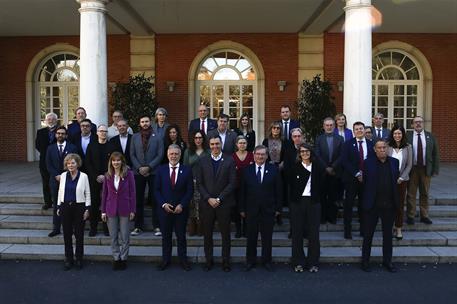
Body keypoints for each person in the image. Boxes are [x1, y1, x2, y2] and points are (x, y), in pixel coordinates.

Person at [196, 135, 237, 272]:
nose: (215, 147)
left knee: (225, 234)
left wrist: (219, 199)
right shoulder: (202, 161)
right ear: (209, 145)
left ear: (221, 144)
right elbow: (200, 183)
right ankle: (209, 260)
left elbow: (232, 183)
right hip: (207, 204)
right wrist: (208, 198)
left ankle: (226, 261)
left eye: (217, 144)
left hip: (223, 204)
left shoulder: (230, 160)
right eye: (212, 144)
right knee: (207, 234)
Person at [239, 145, 282, 272]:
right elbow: (242, 191)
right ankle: (250, 261)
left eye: (263, 154)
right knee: (251, 237)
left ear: (267, 156)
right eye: (258, 154)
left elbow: (279, 190)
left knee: (267, 237)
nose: (260, 156)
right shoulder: (247, 170)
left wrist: (278, 208)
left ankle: (266, 261)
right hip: (251, 210)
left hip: (268, 209)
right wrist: (241, 208)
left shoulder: (273, 169)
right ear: (254, 155)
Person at [361, 140, 400, 273]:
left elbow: (396, 182)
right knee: (368, 235)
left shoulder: (394, 162)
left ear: (387, 148)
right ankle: (365, 261)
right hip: (372, 205)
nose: (382, 149)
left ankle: (387, 261)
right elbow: (364, 184)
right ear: (375, 149)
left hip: (389, 205)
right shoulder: (367, 163)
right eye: (379, 148)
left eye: (384, 147)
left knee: (388, 236)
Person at [154, 145, 193, 271]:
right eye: (171, 154)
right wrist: (163, 204)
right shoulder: (161, 170)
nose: (174, 156)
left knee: (181, 236)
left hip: (180, 210)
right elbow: (156, 190)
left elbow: (190, 191)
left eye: (176, 154)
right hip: (165, 210)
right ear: (167, 155)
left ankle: (183, 260)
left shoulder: (187, 170)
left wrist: (182, 205)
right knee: (166, 237)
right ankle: (166, 260)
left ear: (180, 155)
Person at [288, 143, 324, 273]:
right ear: (299, 154)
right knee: (297, 233)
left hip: (313, 202)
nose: (304, 153)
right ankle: (298, 262)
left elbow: (322, 184)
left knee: (314, 233)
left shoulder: (318, 167)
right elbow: (290, 186)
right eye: (302, 151)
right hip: (298, 203)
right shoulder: (295, 167)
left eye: (307, 151)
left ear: (311, 152)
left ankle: (313, 262)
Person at [130, 114, 164, 236]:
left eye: (147, 121)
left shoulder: (158, 137)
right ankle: (138, 226)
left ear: (150, 122)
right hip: (138, 172)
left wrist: (149, 167)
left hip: (153, 172)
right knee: (138, 199)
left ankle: (157, 226)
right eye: (142, 121)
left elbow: (160, 155)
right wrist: (139, 168)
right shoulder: (134, 137)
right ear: (139, 123)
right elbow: (132, 154)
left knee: (155, 199)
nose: (145, 123)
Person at [101, 152, 136, 271]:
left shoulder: (129, 174)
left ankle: (124, 258)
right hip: (110, 209)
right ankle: (116, 258)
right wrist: (103, 211)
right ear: (111, 162)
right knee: (113, 236)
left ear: (122, 162)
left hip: (125, 208)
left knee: (125, 236)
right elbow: (104, 194)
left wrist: (133, 209)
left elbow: (133, 193)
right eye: (114, 160)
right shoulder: (107, 175)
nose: (116, 163)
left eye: (118, 160)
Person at [56, 153, 90, 270]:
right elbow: (60, 192)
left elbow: (88, 193)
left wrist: (87, 209)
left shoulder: (84, 176)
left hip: (79, 207)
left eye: (73, 163)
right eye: (68, 163)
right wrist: (59, 206)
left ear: (77, 164)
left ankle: (79, 258)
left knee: (79, 235)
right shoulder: (63, 176)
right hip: (65, 207)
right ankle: (68, 259)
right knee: (67, 234)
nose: (70, 165)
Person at [341, 121, 374, 239]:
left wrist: (364, 174)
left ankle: (363, 230)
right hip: (351, 179)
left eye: (361, 128)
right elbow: (344, 161)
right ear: (353, 131)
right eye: (357, 129)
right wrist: (356, 173)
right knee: (348, 205)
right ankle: (347, 231)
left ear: (365, 130)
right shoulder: (347, 144)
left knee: (364, 205)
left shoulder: (371, 144)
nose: (359, 131)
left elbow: (372, 161)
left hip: (366, 180)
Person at [406, 116, 440, 225]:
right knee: (411, 193)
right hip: (412, 169)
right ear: (412, 125)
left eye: (420, 122)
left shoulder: (430, 136)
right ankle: (410, 215)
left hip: (426, 169)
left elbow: (435, 154)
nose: (418, 124)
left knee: (424, 192)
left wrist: (435, 169)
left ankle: (424, 215)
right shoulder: (408, 136)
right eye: (416, 122)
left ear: (423, 123)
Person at [45, 126, 77, 237]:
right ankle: (56, 228)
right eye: (58, 133)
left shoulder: (72, 147)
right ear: (55, 135)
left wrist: (64, 176)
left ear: (66, 135)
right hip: (55, 180)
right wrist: (56, 175)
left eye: (62, 133)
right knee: (56, 205)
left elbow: (75, 163)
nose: (60, 135)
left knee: (69, 204)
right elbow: (48, 164)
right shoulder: (50, 148)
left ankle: (71, 228)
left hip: (69, 180)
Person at [314, 117, 343, 224]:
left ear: (334, 126)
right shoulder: (319, 138)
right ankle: (322, 217)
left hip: (335, 172)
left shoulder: (340, 139)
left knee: (333, 196)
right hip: (322, 171)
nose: (329, 127)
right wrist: (326, 168)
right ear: (323, 126)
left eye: (331, 125)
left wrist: (333, 167)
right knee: (322, 196)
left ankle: (332, 217)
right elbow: (317, 155)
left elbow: (341, 155)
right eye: (327, 125)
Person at [85, 124, 111, 236]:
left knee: (107, 204)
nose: (103, 133)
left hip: (108, 179)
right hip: (94, 180)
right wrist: (96, 176)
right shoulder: (91, 145)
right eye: (101, 131)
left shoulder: (112, 146)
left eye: (105, 131)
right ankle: (93, 228)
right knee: (94, 204)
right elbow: (88, 163)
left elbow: (115, 162)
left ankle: (106, 228)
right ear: (97, 133)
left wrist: (105, 175)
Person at [387, 125, 412, 240]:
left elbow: (409, 165)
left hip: (402, 181)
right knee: (388, 205)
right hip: (388, 181)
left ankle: (398, 228)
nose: (397, 136)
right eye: (395, 133)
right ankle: (389, 226)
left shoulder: (408, 147)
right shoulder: (387, 146)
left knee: (400, 205)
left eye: (399, 133)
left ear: (403, 135)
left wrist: (402, 177)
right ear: (392, 134)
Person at [183, 130, 209, 236]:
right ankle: (192, 227)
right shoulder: (188, 151)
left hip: (205, 182)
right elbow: (185, 167)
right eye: (196, 138)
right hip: (191, 182)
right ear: (193, 139)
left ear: (203, 139)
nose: (198, 140)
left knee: (202, 205)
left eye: (200, 138)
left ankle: (201, 228)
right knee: (192, 205)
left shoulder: (208, 151)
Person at [232, 136, 254, 238]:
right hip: (236, 186)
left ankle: (246, 228)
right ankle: (238, 229)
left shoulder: (251, 155)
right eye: (240, 143)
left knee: (247, 207)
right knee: (237, 208)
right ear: (236, 144)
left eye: (244, 143)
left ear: (247, 144)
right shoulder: (232, 156)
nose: (242, 145)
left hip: (249, 186)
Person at [36, 112, 58, 210]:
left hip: (58, 161)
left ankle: (57, 202)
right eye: (49, 119)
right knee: (46, 182)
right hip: (44, 161)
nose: (51, 121)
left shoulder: (61, 130)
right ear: (45, 121)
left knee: (57, 182)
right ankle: (47, 202)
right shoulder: (40, 132)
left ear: (56, 120)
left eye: (53, 119)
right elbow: (37, 145)